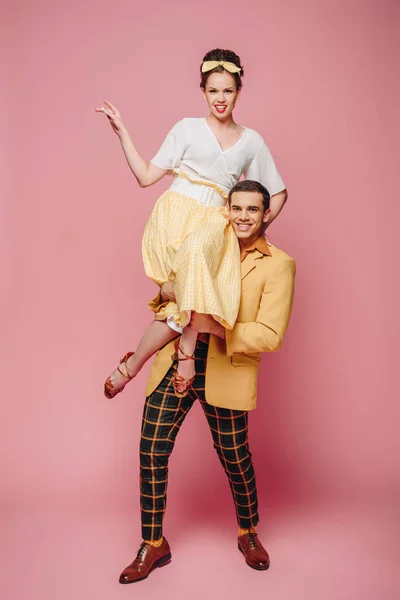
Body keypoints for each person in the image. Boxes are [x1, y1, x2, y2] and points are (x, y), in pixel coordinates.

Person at [118, 179, 296, 584]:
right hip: (174, 361)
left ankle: (248, 533)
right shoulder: (205, 243)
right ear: (226, 209)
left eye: (253, 210)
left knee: (235, 457)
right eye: (237, 208)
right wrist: (167, 288)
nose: (243, 217)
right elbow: (168, 302)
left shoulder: (279, 264)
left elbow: (270, 333)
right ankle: (152, 543)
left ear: (267, 214)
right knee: (151, 448)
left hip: (227, 367)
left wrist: (216, 327)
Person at [96, 48, 288, 398]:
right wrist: (122, 132)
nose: (220, 98)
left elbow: (275, 192)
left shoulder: (252, 141)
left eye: (227, 90)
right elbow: (145, 177)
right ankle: (177, 357)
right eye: (213, 90)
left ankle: (134, 365)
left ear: (238, 92)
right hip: (175, 216)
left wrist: (254, 224)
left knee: (188, 286)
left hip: (215, 222)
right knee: (189, 291)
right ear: (203, 92)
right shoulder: (186, 129)